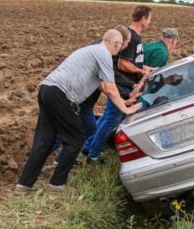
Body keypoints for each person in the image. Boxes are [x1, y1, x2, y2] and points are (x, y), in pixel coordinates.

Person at [16, 29, 141, 193]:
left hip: (46, 89)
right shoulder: (103, 54)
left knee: (44, 140)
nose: (122, 48)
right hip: (61, 95)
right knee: (76, 138)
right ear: (117, 44)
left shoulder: (90, 50)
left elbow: (102, 85)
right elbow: (110, 88)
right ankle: (57, 184)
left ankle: (24, 184)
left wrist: (124, 100)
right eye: (123, 45)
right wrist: (126, 109)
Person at [84, 5, 153, 163]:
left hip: (121, 82)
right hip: (121, 84)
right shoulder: (132, 38)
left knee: (108, 117)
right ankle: (93, 154)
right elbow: (123, 64)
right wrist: (140, 74)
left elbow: (134, 62)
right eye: (149, 18)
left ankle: (88, 146)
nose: (149, 22)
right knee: (111, 120)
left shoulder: (133, 37)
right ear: (143, 19)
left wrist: (146, 68)